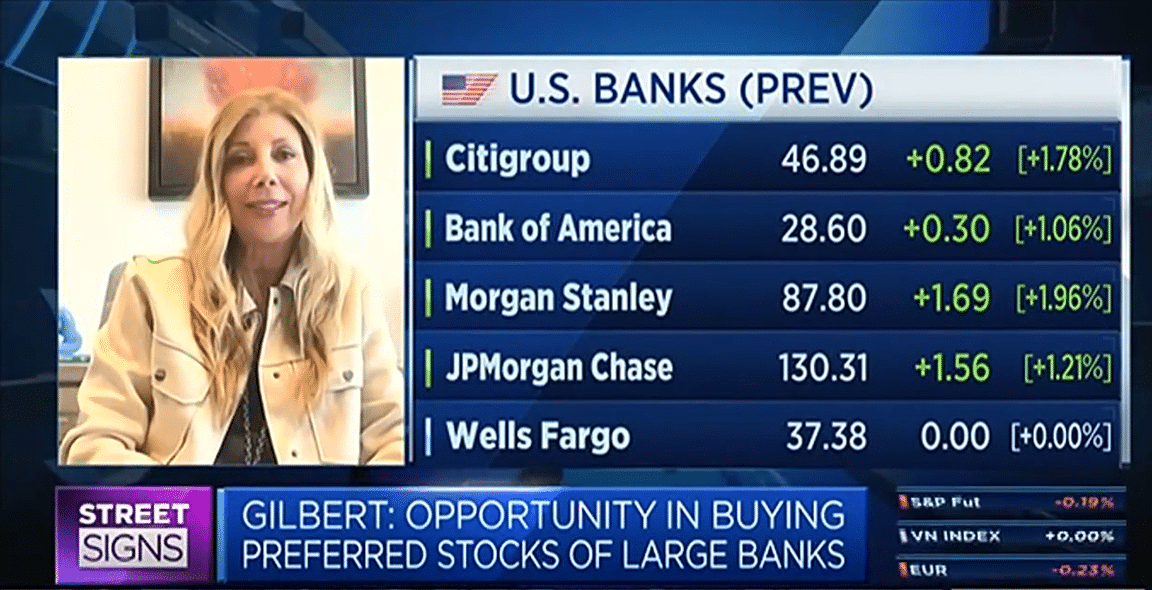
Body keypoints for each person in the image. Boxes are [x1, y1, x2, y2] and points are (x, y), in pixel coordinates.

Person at [60, 88, 404, 465]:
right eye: (241, 159)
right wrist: (190, 499)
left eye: (284, 155)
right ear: (218, 183)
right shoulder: (149, 288)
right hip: (185, 504)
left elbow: (396, 443)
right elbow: (95, 446)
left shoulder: (353, 294)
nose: (265, 175)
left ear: (311, 175)